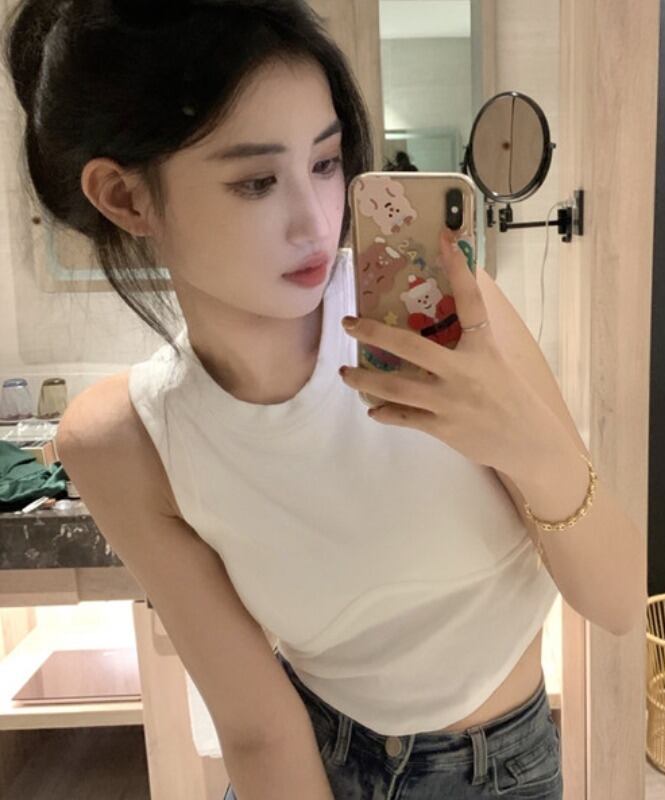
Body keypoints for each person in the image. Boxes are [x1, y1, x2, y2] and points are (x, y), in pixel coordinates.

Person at [0, 1, 629, 797]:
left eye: (327, 163)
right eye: (257, 181)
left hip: (496, 772)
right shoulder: (125, 441)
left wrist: (528, 446)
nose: (316, 220)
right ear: (126, 197)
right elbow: (258, 730)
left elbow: (616, 601)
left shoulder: (447, 324)